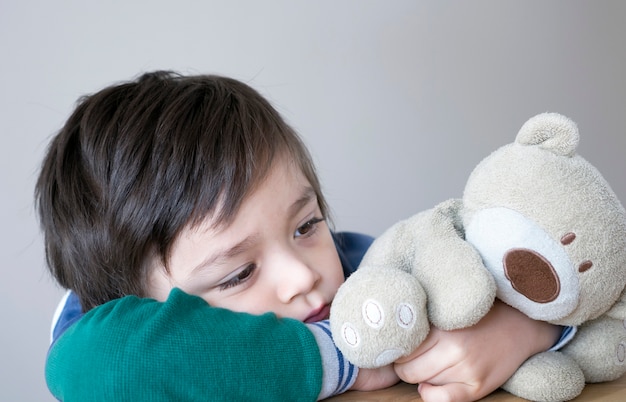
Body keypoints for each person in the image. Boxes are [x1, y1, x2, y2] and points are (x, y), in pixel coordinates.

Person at [37, 71, 564, 402]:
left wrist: (521, 329)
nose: (304, 273)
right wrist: (344, 356)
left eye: (307, 225)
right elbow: (100, 369)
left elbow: (578, 275)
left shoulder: (366, 266)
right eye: (238, 273)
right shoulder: (108, 336)